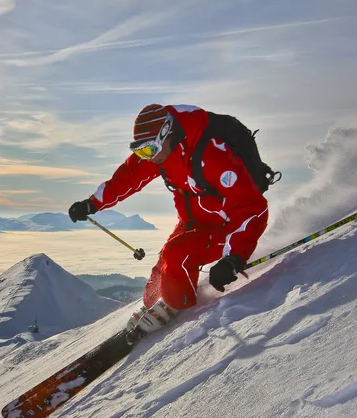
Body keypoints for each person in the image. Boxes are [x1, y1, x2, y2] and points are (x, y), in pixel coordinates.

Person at [68, 104, 269, 334]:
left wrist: (233, 258)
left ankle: (178, 308)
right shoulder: (159, 151)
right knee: (158, 277)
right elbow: (129, 176)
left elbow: (253, 208)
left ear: (166, 134)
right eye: (141, 152)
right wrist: (92, 204)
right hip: (193, 222)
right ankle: (155, 306)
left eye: (149, 151)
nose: (147, 158)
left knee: (177, 254)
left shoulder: (213, 155)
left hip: (226, 228)